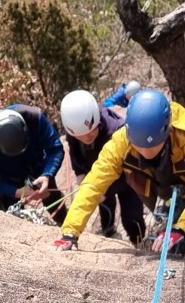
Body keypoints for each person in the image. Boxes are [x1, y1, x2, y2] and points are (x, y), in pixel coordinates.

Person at [53, 86, 185, 268]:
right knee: (167, 208)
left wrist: (183, 228)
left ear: (167, 130)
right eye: (140, 146)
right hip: (166, 176)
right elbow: (94, 183)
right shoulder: (121, 141)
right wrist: (70, 231)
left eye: (152, 146)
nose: (146, 152)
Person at [59, 88, 145, 245]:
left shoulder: (118, 130)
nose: (87, 137)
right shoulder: (75, 127)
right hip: (98, 176)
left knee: (132, 219)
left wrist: (106, 189)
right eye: (81, 135)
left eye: (92, 131)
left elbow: (133, 167)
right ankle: (108, 230)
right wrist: (80, 173)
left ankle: (138, 242)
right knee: (106, 209)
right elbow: (74, 151)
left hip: (126, 180)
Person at [0, 104, 68, 225]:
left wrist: (47, 174)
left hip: (35, 165)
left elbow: (54, 148)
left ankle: (67, 226)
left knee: (51, 197)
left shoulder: (34, 117)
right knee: (11, 218)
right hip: (5, 177)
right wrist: (16, 191)